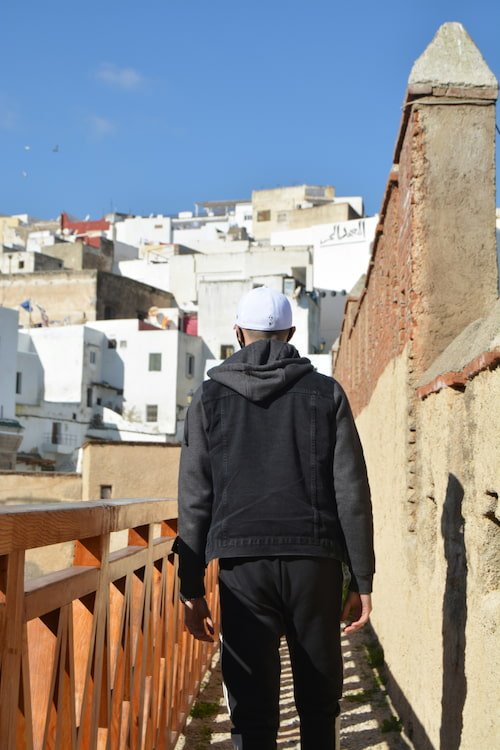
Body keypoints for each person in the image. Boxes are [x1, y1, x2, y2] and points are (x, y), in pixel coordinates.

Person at [175, 286, 374, 750]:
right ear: (290, 332)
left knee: (252, 710)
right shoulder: (327, 393)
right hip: (315, 564)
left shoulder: (207, 399)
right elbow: (351, 490)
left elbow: (195, 498)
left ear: (238, 333)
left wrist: (190, 588)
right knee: (319, 703)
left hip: (243, 569)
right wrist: (361, 578)